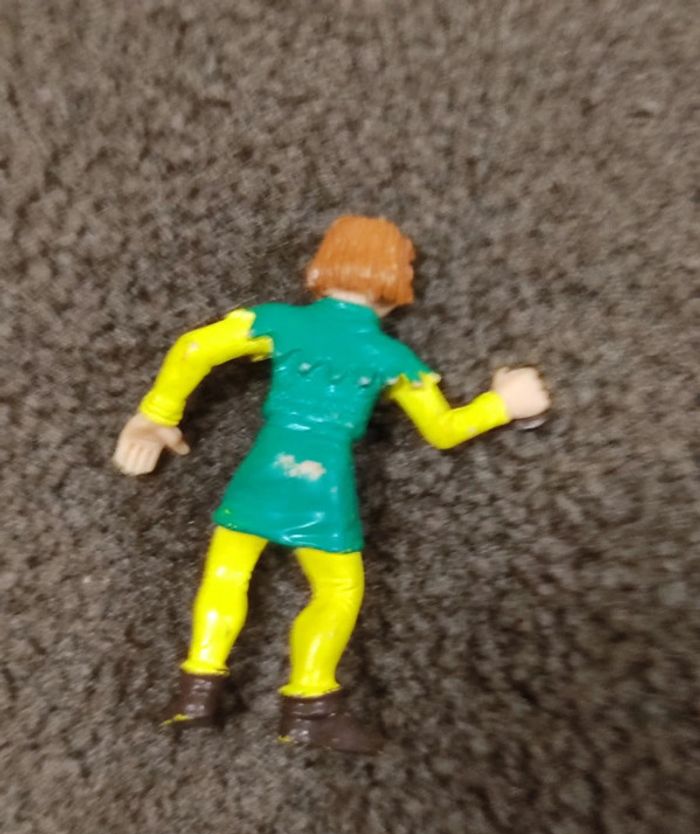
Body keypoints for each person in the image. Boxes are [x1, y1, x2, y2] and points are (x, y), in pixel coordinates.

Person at [113, 215, 550, 754]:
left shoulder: (277, 321)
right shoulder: (392, 359)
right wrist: (504, 403)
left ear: (322, 266)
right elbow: (444, 429)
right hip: (324, 486)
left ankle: (197, 692)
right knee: (338, 591)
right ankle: (308, 708)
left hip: (265, 469)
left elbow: (192, 348)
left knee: (226, 573)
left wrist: (157, 414)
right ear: (395, 279)